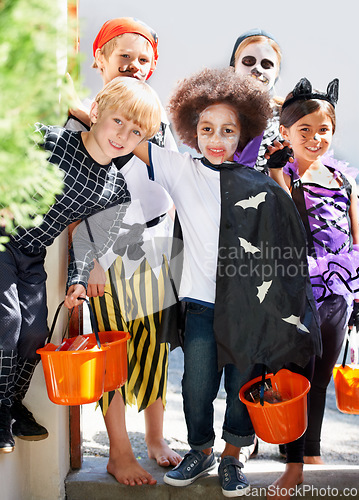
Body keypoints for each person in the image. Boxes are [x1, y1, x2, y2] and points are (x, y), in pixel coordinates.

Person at [130, 67, 321, 498]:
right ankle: (201, 450)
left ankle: (233, 456)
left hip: (247, 311)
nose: (216, 138)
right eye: (206, 128)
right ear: (191, 130)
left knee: (240, 387)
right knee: (196, 385)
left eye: (228, 130)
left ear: (243, 135)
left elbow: (285, 244)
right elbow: (132, 135)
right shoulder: (180, 171)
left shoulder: (258, 183)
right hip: (200, 305)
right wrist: (96, 103)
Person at [0, 76, 162, 455]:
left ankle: (9, 403)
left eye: (136, 131)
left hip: (32, 253)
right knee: (7, 321)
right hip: (4, 241)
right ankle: (0, 409)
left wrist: (77, 278)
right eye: (118, 120)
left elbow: (89, 238)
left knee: (36, 332)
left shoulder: (114, 189)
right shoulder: (51, 141)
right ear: (97, 110)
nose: (123, 135)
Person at [66, 17, 181, 486]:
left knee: (155, 348)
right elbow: (74, 197)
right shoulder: (87, 118)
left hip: (156, 246)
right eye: (123, 57)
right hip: (109, 253)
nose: (134, 66)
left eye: (143, 59)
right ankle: (118, 450)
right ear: (99, 61)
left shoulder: (156, 118)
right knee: (115, 351)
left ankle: (155, 437)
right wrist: (89, 260)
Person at [267, 77, 359, 493]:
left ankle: (310, 446)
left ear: (333, 133)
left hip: (338, 295)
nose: (314, 138)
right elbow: (281, 224)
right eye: (303, 130)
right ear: (285, 134)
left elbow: (354, 236)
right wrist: (276, 174)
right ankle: (292, 464)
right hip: (297, 290)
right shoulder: (284, 176)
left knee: (322, 375)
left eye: (322, 130)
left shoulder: (342, 180)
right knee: (295, 376)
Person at [230, 28, 283, 173]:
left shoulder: (288, 115)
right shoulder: (218, 110)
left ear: (276, 73)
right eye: (248, 61)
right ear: (234, 66)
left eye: (266, 65)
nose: (257, 69)